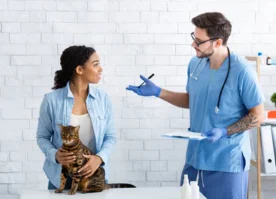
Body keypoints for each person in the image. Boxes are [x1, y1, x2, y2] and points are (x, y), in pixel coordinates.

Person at [126, 12, 264, 199]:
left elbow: (258, 115)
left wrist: (225, 131)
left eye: (199, 41)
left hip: (226, 160)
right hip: (195, 158)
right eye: (194, 38)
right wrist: (159, 92)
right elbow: (193, 101)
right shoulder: (196, 64)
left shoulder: (242, 71)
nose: (193, 44)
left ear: (217, 42)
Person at [36, 45, 116, 190]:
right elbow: (42, 137)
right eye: (96, 64)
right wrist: (55, 155)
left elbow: (110, 136)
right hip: (61, 177)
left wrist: (99, 158)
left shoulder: (103, 99)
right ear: (79, 70)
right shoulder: (51, 100)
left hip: (92, 177)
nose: (101, 69)